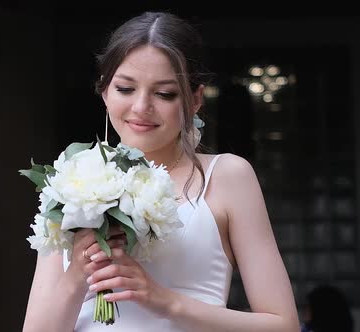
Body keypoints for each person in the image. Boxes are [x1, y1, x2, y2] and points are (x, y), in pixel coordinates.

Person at [23, 11, 299, 331]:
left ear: (195, 99)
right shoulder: (73, 180)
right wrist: (79, 273)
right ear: (104, 91)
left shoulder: (228, 177)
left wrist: (164, 300)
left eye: (164, 93)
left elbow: (283, 325)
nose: (141, 107)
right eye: (125, 88)